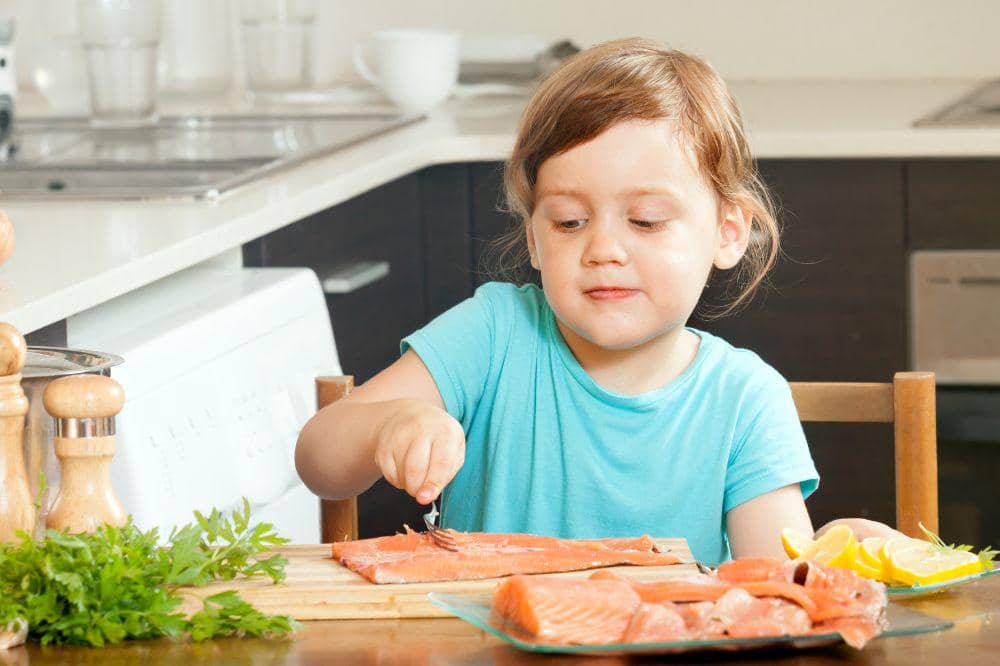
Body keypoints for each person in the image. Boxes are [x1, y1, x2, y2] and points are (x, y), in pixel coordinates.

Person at [296, 38, 902, 565]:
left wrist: (830, 556)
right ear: (533, 236)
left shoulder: (744, 398)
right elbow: (319, 458)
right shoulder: (493, 334)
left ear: (728, 231)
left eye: (645, 220)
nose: (603, 249)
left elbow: (777, 584)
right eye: (569, 222)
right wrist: (389, 425)